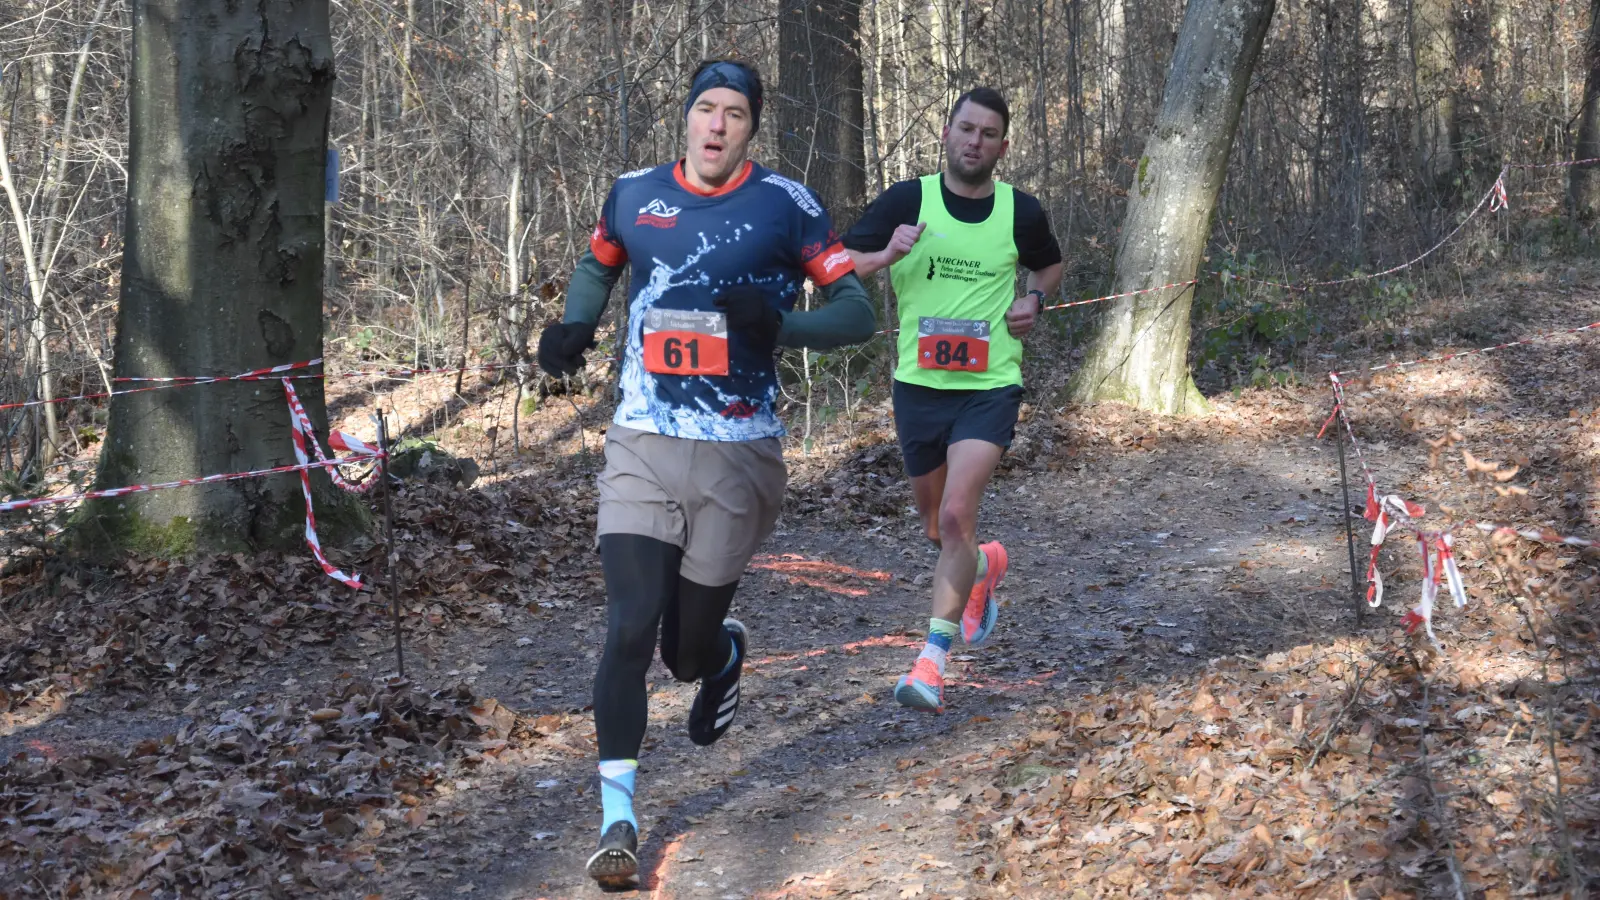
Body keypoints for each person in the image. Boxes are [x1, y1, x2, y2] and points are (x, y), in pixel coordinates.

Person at [536, 59, 877, 888]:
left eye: (734, 114)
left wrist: (781, 323)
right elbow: (601, 262)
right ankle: (619, 819)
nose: (717, 125)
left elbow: (857, 314)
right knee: (628, 625)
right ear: (686, 119)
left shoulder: (786, 208)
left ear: (751, 128)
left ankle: (720, 656)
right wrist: (574, 325)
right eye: (705, 110)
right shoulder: (634, 194)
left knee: (682, 653)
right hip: (642, 440)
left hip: (736, 452)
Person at [843, 87, 1062, 714]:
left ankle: (931, 664)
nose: (975, 141)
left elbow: (1049, 268)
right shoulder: (908, 200)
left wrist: (1034, 301)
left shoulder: (1020, 211)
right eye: (966, 128)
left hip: (990, 385)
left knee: (955, 515)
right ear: (946, 132)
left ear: (1003, 145)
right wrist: (885, 254)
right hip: (919, 386)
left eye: (988, 134)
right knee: (936, 524)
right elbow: (838, 263)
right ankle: (984, 567)